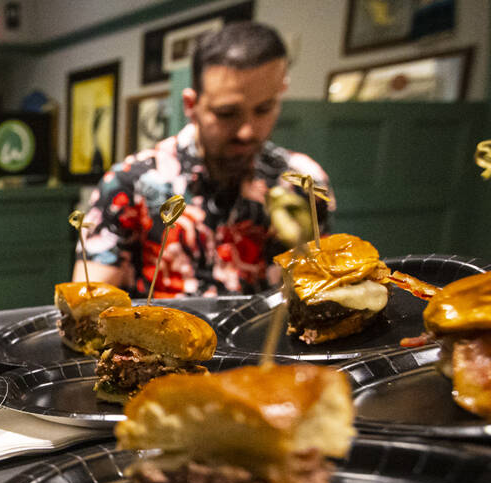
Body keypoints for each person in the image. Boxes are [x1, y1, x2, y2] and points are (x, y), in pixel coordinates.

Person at [74, 21, 334, 298]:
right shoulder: (129, 182)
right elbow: (89, 309)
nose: (247, 131)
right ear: (191, 105)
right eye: (226, 113)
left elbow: (318, 296)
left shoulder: (303, 181)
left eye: (264, 109)